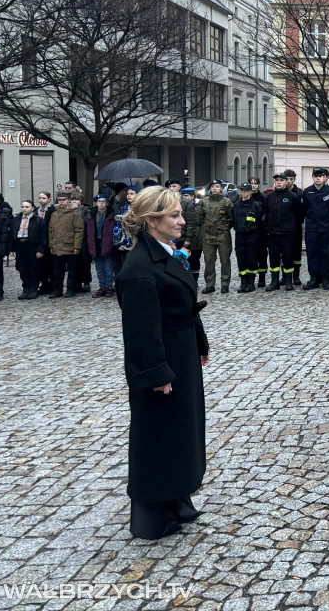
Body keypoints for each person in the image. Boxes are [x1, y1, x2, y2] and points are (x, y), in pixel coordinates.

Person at [116, 186, 210, 540]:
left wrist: (199, 343)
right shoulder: (139, 268)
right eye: (174, 215)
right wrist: (155, 373)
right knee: (157, 434)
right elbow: (140, 330)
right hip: (161, 360)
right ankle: (153, 514)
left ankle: (178, 496)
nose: (181, 221)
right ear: (152, 221)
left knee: (181, 429)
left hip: (181, 352)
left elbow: (184, 304)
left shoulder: (165, 254)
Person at [300, 167, 329, 290]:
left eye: (320, 176)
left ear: (324, 177)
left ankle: (326, 279)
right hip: (312, 229)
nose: (318, 178)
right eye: (316, 176)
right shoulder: (307, 192)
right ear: (312, 177)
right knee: (312, 253)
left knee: (326, 254)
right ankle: (314, 279)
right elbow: (304, 210)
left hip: (327, 229)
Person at [264, 173, 301, 291]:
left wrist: (291, 227)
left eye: (281, 180)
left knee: (288, 257)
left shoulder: (293, 197)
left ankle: (288, 281)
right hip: (273, 233)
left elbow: (298, 215)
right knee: (273, 258)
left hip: (287, 234)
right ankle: (274, 282)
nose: (279, 182)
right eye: (277, 180)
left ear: (286, 182)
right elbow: (265, 213)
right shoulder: (269, 197)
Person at [196, 181, 233, 294]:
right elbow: (200, 216)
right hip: (208, 236)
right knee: (209, 261)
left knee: (225, 261)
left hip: (223, 236)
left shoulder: (226, 202)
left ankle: (225, 284)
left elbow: (231, 218)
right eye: (212, 187)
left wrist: (224, 227)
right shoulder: (204, 201)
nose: (215, 188)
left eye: (217, 187)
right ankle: (209, 284)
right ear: (210, 189)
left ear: (221, 188)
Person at [49, 192, 85, 298]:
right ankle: (57, 289)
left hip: (70, 246)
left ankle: (71, 289)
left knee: (72, 270)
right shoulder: (54, 215)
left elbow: (79, 230)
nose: (61, 202)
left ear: (68, 201)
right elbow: (50, 231)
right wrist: (52, 245)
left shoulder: (75, 214)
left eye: (63, 200)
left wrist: (77, 246)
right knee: (57, 270)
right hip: (57, 246)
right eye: (59, 200)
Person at [232, 184, 263, 293]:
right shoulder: (235, 206)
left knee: (252, 259)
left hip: (252, 235)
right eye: (242, 191)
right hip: (240, 235)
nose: (243, 193)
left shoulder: (256, 205)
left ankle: (251, 283)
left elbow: (260, 221)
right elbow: (232, 220)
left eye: (245, 191)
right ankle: (243, 282)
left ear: (250, 192)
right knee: (241, 259)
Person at [13, 200, 47, 300]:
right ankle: (25, 288)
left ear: (32, 208)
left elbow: (43, 237)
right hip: (20, 245)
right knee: (22, 268)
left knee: (33, 268)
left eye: (27, 207)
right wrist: (12, 248)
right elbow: (12, 234)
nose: (24, 209)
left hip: (32, 245)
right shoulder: (16, 219)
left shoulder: (39, 220)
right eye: (22, 207)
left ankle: (33, 288)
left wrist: (41, 250)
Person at [86, 193, 117, 298]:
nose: (101, 204)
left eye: (103, 201)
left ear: (107, 203)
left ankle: (109, 287)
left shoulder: (111, 214)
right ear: (96, 203)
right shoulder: (92, 213)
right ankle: (102, 286)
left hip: (107, 243)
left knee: (108, 267)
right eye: (99, 201)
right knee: (99, 268)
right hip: (96, 243)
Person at [283, 169, 304, 282]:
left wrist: (298, 221)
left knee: (296, 252)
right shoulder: (281, 192)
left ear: (294, 180)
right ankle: (284, 276)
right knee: (285, 252)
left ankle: (296, 276)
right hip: (284, 228)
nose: (289, 181)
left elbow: (303, 210)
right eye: (287, 179)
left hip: (296, 227)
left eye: (291, 179)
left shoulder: (300, 192)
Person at [248, 177, 270, 287]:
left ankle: (262, 279)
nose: (253, 186)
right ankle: (250, 279)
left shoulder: (263, 198)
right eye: (251, 183)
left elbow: (267, 213)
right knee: (251, 255)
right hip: (249, 231)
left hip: (261, 232)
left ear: (258, 185)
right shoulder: (246, 197)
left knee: (262, 255)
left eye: (255, 183)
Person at [35, 192, 55, 295]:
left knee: (50, 265)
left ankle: (52, 285)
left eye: (43, 198)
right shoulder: (35, 211)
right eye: (40, 198)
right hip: (38, 240)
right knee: (40, 266)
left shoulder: (52, 211)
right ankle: (44, 284)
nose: (41, 200)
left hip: (49, 239)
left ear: (49, 199)